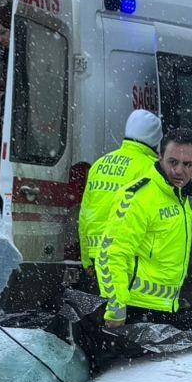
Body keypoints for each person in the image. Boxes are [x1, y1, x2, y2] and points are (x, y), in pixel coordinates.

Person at [97, 126, 192, 324]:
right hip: (136, 309)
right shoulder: (138, 196)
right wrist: (116, 309)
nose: (179, 171)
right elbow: (111, 254)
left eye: (187, 164)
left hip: (165, 307)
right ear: (160, 157)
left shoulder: (181, 197)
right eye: (173, 162)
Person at [77, 109, 162, 280]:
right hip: (132, 258)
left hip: (97, 256)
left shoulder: (99, 164)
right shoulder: (153, 169)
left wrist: (86, 260)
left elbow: (84, 216)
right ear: (156, 140)